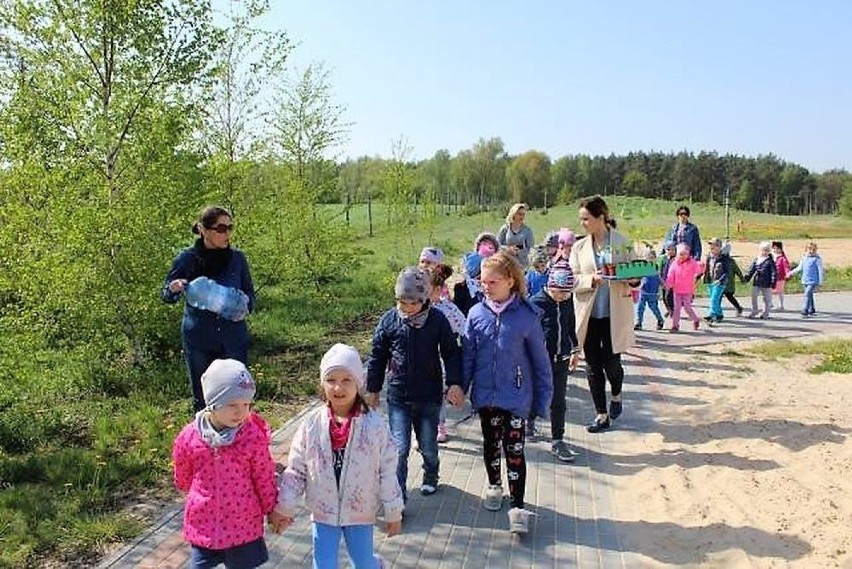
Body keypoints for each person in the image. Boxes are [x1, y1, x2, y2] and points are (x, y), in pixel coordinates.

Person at [273, 344, 403, 569]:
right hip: (323, 509)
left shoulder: (374, 425)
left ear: (358, 383)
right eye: (331, 379)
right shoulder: (311, 425)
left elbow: (388, 469)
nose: (338, 387)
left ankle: (375, 564)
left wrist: (393, 511)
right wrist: (284, 507)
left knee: (363, 563)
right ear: (322, 383)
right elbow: (296, 470)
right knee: (323, 564)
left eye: (346, 380)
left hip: (360, 510)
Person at [461, 251, 553, 534]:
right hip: (486, 396)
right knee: (491, 444)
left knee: (514, 449)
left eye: (492, 281)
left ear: (511, 281)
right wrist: (460, 388)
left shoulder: (526, 317)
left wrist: (542, 402)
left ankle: (518, 506)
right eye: (482, 282)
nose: (485, 286)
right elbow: (468, 356)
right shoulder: (476, 314)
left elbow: (541, 363)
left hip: (516, 398)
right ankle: (494, 484)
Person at [366, 267, 464, 502]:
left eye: (412, 303)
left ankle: (431, 472)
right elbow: (377, 355)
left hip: (429, 396)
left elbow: (451, 353)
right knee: (398, 449)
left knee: (428, 444)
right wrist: (373, 388)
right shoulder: (389, 320)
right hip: (399, 396)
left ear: (424, 300)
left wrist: (454, 384)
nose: (406, 308)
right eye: (401, 302)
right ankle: (397, 495)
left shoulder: (437, 320)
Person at [172, 359, 277, 569]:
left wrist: (272, 509)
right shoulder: (191, 436)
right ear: (212, 403)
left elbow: (263, 476)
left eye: (246, 405)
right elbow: (183, 472)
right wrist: (192, 493)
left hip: (242, 526)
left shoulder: (251, 437)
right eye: (232, 405)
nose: (240, 412)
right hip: (204, 525)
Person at [162, 206, 255, 411]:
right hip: (199, 339)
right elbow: (167, 294)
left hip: (233, 338)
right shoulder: (187, 258)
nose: (227, 234)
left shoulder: (237, 259)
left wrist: (243, 305)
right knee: (203, 398)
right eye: (221, 228)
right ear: (203, 230)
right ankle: (204, 442)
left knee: (237, 394)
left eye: (230, 228)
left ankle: (238, 442)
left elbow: (250, 293)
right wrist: (174, 288)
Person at [569, 196, 639, 433]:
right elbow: (572, 279)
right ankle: (601, 414)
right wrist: (592, 279)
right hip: (589, 315)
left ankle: (617, 394)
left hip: (614, 314)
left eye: (586, 219)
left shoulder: (621, 242)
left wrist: (631, 277)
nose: (583, 223)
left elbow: (637, 273)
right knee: (592, 366)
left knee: (612, 364)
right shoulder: (578, 247)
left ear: (601, 217)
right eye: (581, 219)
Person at [529, 260, 580, 463]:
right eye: (558, 293)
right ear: (549, 286)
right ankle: (529, 419)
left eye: (566, 294)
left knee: (558, 401)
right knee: (537, 393)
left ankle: (558, 439)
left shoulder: (568, 301)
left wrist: (575, 349)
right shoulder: (536, 302)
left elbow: (570, 325)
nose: (561, 297)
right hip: (540, 361)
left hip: (562, 359)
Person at [427, 265, 467, 443]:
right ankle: (422, 428)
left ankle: (439, 424)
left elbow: (465, 328)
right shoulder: (415, 309)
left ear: (437, 289)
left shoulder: (448, 309)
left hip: (441, 360)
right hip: (421, 360)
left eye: (427, 290)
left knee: (438, 395)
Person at [664, 244, 704, 332]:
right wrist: (668, 284)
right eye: (681, 254)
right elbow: (670, 275)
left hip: (688, 290)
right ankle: (675, 326)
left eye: (685, 254)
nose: (683, 256)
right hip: (677, 290)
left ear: (688, 254)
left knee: (687, 307)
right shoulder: (674, 263)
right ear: (677, 254)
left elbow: (698, 270)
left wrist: (700, 266)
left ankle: (695, 319)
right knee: (676, 308)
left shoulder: (692, 262)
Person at [787, 241, 825, 317]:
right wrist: (790, 273)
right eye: (809, 249)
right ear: (806, 250)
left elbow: (820, 270)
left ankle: (805, 310)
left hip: (813, 280)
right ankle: (812, 309)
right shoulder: (804, 258)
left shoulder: (817, 259)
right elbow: (799, 268)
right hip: (805, 280)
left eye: (813, 250)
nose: (811, 251)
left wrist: (821, 281)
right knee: (809, 295)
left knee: (807, 294)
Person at [742, 241, 777, 319]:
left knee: (767, 299)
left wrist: (773, 282)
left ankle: (765, 313)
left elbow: (774, 272)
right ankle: (755, 310)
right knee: (754, 297)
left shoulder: (770, 261)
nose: (765, 252)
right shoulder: (757, 259)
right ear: (760, 250)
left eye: (767, 250)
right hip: (757, 281)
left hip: (767, 283)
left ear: (769, 251)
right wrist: (746, 278)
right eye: (763, 250)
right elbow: (751, 270)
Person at [497, 203, 535, 269]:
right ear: (513, 214)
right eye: (519, 214)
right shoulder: (505, 229)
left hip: (522, 264)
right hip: (506, 263)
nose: (522, 217)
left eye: (523, 214)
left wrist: (519, 252)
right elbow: (497, 245)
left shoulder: (527, 230)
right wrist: (508, 250)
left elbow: (531, 248)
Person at [635, 251, 665, 331]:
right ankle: (639, 323)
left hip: (653, 292)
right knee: (640, 307)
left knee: (653, 307)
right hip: (643, 291)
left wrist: (663, 285)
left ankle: (660, 320)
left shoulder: (655, 267)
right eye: (648, 258)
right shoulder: (643, 267)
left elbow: (658, 277)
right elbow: (639, 277)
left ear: (655, 259)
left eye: (652, 258)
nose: (650, 260)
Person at [702, 238, 729, 323]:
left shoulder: (724, 258)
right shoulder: (709, 256)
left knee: (714, 299)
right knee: (713, 299)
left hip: (720, 282)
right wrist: (704, 276)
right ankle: (719, 314)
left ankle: (711, 315)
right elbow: (707, 268)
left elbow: (727, 272)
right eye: (711, 246)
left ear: (719, 247)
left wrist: (720, 280)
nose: (712, 247)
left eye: (714, 246)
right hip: (711, 281)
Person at [721, 241, 744, 317]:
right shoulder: (719, 259)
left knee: (729, 297)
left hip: (728, 283)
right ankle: (716, 312)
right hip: (721, 283)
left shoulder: (731, 261)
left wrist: (742, 279)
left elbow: (737, 271)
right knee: (718, 298)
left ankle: (738, 308)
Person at [771, 241, 791, 311]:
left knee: (780, 291)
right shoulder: (770, 257)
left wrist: (788, 273)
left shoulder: (782, 258)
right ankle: (770, 304)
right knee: (769, 290)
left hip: (780, 278)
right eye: (774, 248)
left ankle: (781, 305)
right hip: (771, 277)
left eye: (777, 248)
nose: (776, 250)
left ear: (781, 249)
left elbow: (786, 267)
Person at [659, 241, 677, 318]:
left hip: (671, 282)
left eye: (673, 249)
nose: (671, 251)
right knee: (663, 298)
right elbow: (660, 269)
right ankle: (669, 310)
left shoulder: (676, 260)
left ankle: (672, 310)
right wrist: (660, 280)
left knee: (668, 297)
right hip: (663, 280)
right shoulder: (663, 259)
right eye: (669, 249)